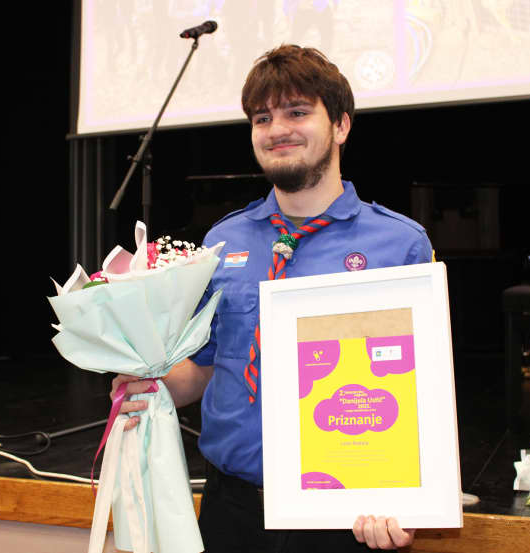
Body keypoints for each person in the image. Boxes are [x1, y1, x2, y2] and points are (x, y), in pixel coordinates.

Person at [113, 44, 432, 552]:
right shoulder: (223, 242)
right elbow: (203, 370)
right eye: (262, 118)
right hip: (232, 510)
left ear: (341, 126)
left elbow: (425, 393)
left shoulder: (399, 244)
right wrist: (139, 370)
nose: (277, 129)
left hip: (347, 515)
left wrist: (412, 499)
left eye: (297, 112)